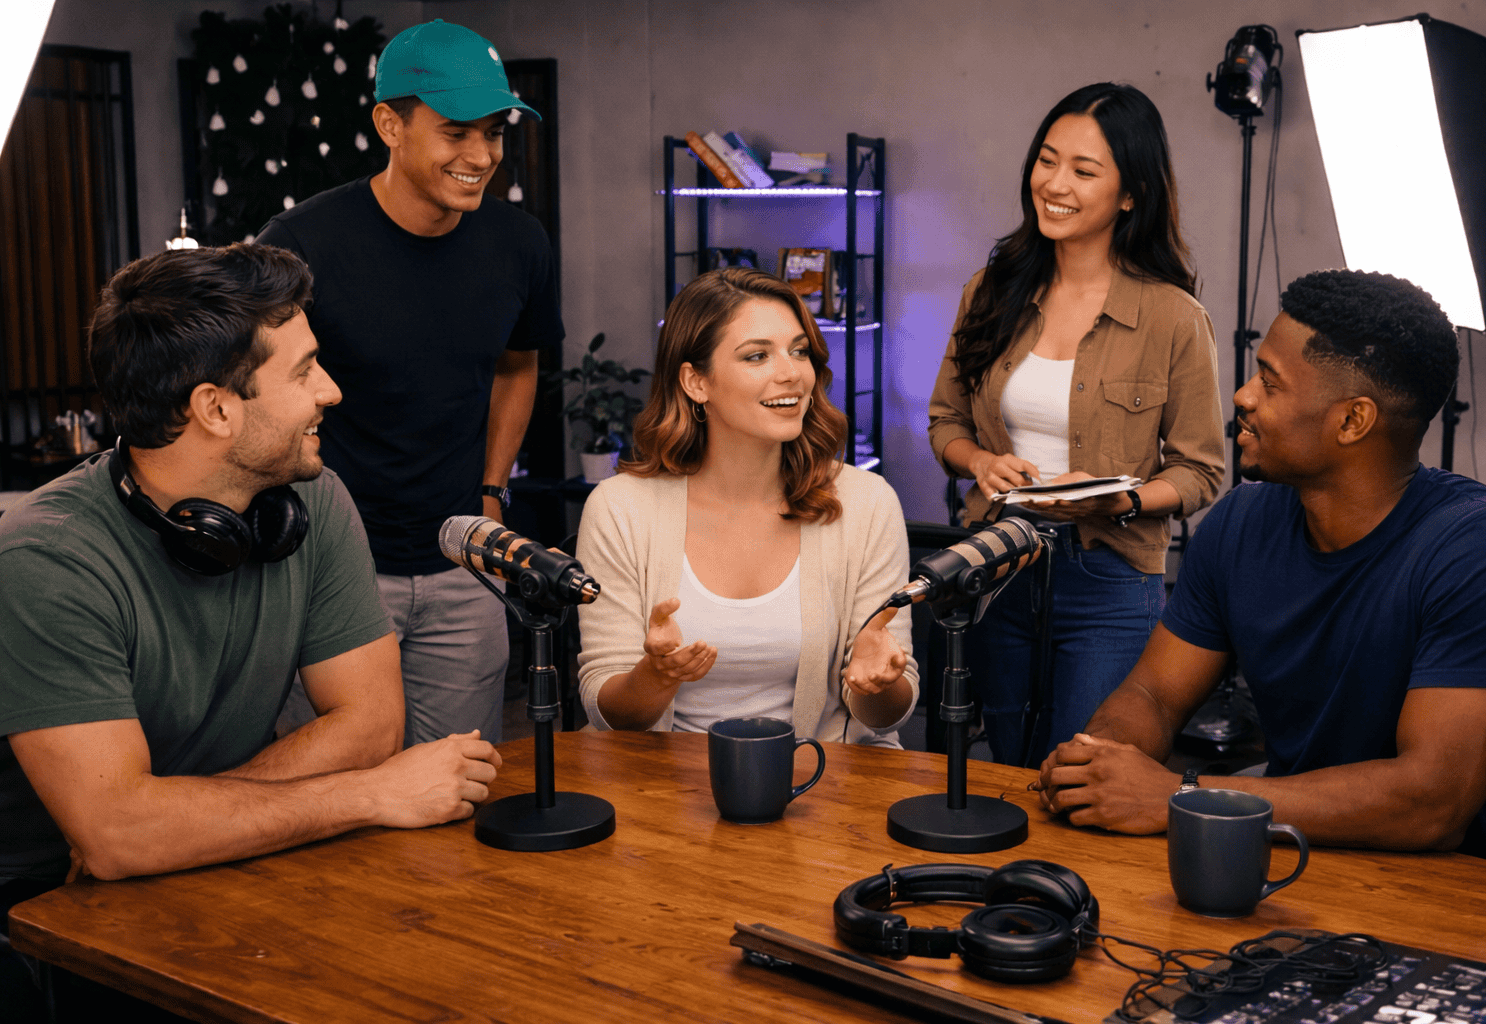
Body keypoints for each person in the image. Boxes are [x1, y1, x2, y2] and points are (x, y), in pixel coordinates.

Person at [0, 245, 502, 1016]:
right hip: (47, 913)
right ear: (215, 408)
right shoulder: (45, 557)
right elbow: (110, 841)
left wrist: (162, 819)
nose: (330, 392)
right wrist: (368, 796)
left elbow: (369, 724)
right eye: (303, 372)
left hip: (223, 860)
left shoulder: (314, 497)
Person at [1036, 269, 1486, 866]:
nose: (1243, 396)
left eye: (1271, 384)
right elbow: (1153, 693)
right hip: (1290, 859)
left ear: (1353, 420)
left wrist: (1182, 796)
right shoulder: (1240, 523)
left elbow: (1433, 803)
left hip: (1455, 897)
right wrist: (1099, 760)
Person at [257, 19, 564, 746]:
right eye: (457, 132)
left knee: (457, 789)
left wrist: (492, 491)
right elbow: (263, 388)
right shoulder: (301, 242)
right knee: (332, 789)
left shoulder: (520, 243)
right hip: (330, 565)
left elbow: (520, 360)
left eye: (494, 133)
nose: (483, 155)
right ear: (390, 124)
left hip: (463, 561)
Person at [928, 82, 1224, 768]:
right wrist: (979, 462)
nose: (1055, 184)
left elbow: (1201, 471)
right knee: (1005, 760)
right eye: (1047, 160)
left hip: (1108, 579)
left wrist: (1117, 497)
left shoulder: (1173, 317)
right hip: (999, 563)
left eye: (1084, 171)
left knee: (1079, 766)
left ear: (1131, 194)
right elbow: (945, 420)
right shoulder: (990, 289)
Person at [576, 268, 918, 744]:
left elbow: (886, 718)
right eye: (757, 355)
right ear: (696, 382)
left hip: (827, 784)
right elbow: (607, 713)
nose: (791, 373)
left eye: (799, 351)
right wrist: (656, 676)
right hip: (662, 790)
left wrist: (876, 681)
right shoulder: (619, 509)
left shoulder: (865, 503)